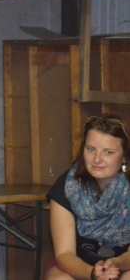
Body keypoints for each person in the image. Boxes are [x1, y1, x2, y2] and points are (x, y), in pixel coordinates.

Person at [46, 115, 130, 280]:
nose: (97, 159)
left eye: (108, 152)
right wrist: (93, 273)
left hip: (124, 266)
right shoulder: (66, 186)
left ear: (124, 157)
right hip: (79, 268)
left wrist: (115, 264)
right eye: (91, 149)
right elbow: (64, 254)